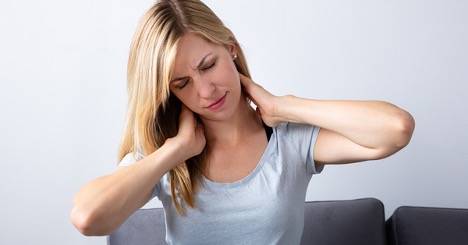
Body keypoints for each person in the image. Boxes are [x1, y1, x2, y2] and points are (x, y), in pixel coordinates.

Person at [71, 0, 415, 243]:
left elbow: (396, 129)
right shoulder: (166, 156)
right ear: (168, 93)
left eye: (208, 65)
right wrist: (174, 152)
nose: (206, 91)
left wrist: (286, 106)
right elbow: (88, 218)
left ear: (230, 49)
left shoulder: (288, 141)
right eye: (182, 83)